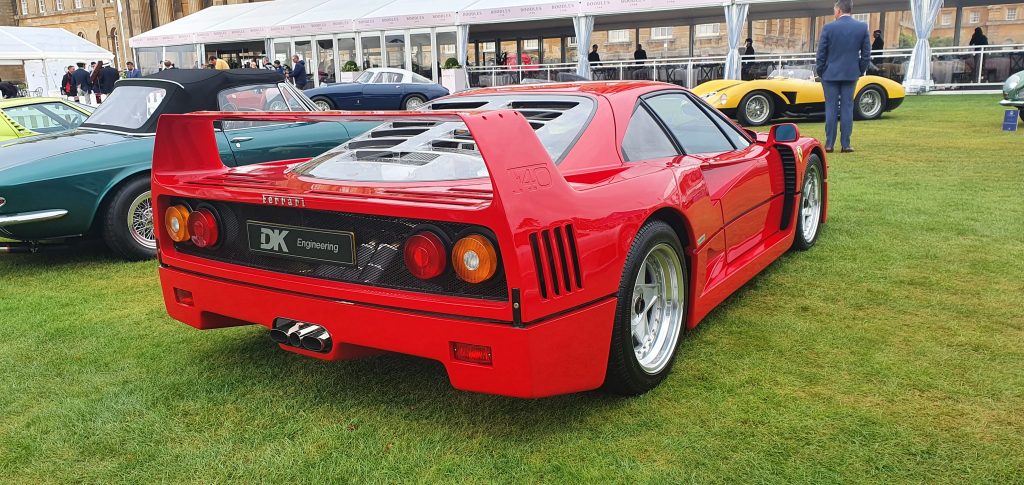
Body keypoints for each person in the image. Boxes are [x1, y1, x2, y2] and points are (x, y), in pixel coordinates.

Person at [816, 0, 871, 153]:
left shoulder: (828, 28)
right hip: (851, 73)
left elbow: (821, 53)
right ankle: (846, 144)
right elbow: (866, 54)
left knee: (831, 108)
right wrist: (859, 70)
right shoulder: (862, 27)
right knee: (847, 108)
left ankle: (829, 144)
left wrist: (821, 71)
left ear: (838, 10)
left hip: (830, 74)